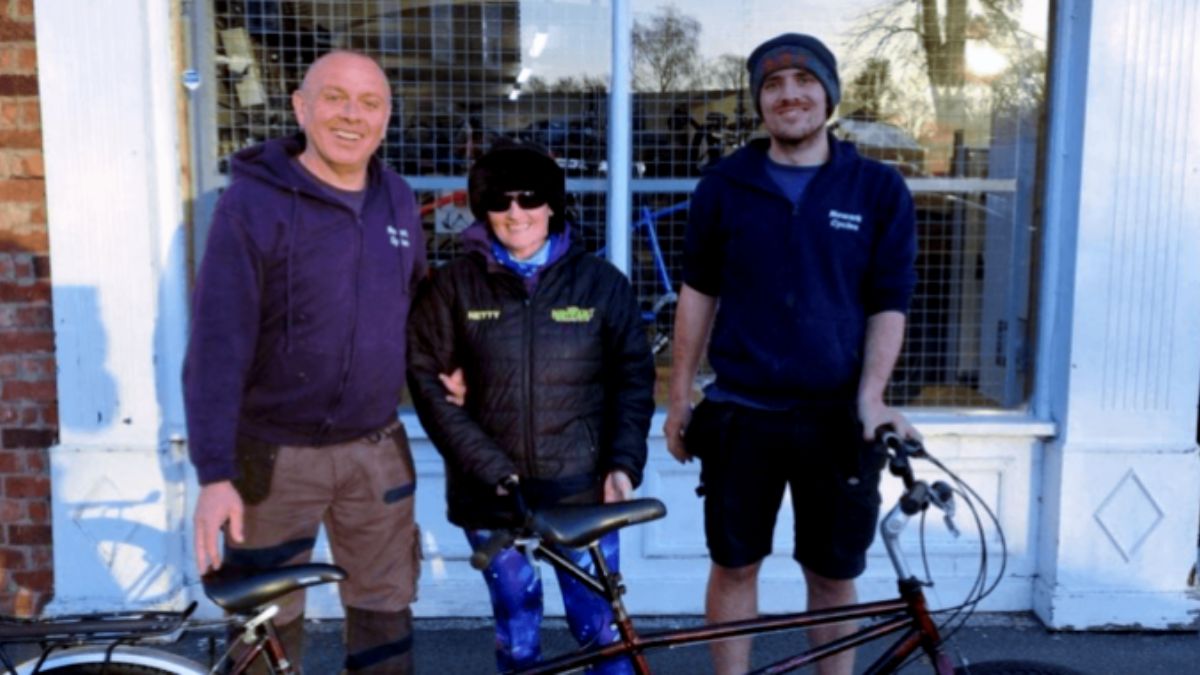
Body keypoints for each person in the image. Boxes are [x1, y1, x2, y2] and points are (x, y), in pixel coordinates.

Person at [661, 33, 920, 675]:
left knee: (832, 574)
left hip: (837, 420)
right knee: (735, 564)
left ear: (828, 93)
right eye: (772, 85)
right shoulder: (724, 185)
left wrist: (872, 397)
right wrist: (678, 397)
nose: (789, 95)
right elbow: (697, 294)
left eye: (804, 81)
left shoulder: (877, 189)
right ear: (759, 102)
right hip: (742, 413)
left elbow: (890, 302)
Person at [184, 50, 428, 674]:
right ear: (300, 106)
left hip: (375, 452)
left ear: (387, 118)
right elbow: (217, 343)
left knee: (384, 610)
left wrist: (448, 362)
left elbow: (419, 303)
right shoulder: (251, 205)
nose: (352, 116)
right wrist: (214, 474)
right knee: (268, 621)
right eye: (335, 98)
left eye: (370, 103)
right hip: (272, 459)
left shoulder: (398, 199)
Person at [407, 140, 655, 674]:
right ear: (482, 208)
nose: (515, 212)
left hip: (581, 490)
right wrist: (492, 469)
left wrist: (623, 462)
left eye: (530, 197)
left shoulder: (601, 284)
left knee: (601, 632)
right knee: (517, 632)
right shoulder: (452, 287)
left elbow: (633, 378)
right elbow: (427, 381)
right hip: (492, 496)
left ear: (552, 204)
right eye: (499, 200)